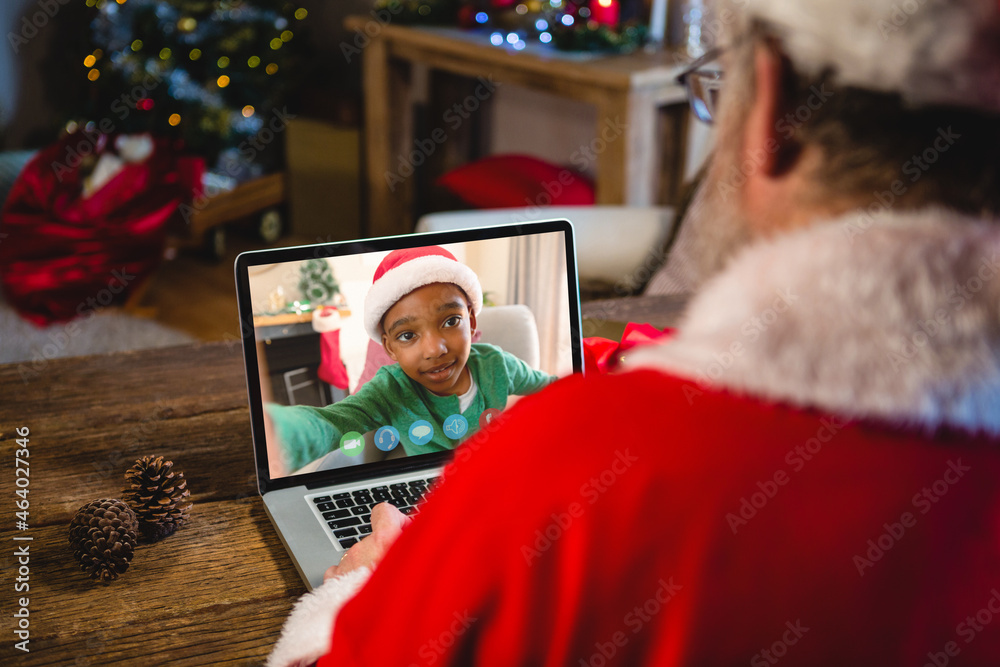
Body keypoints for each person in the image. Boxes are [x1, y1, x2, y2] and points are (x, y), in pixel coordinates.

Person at [267, 0, 1000, 664]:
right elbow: (342, 416)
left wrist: (359, 590)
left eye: (720, 88)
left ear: (771, 105)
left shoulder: (557, 474)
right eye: (406, 335)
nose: (434, 347)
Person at [267, 246, 555, 474]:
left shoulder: (498, 365)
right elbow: (332, 422)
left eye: (451, 320)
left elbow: (554, 388)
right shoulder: (389, 389)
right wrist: (279, 433)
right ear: (389, 349)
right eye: (407, 336)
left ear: (471, 318)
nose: (434, 349)